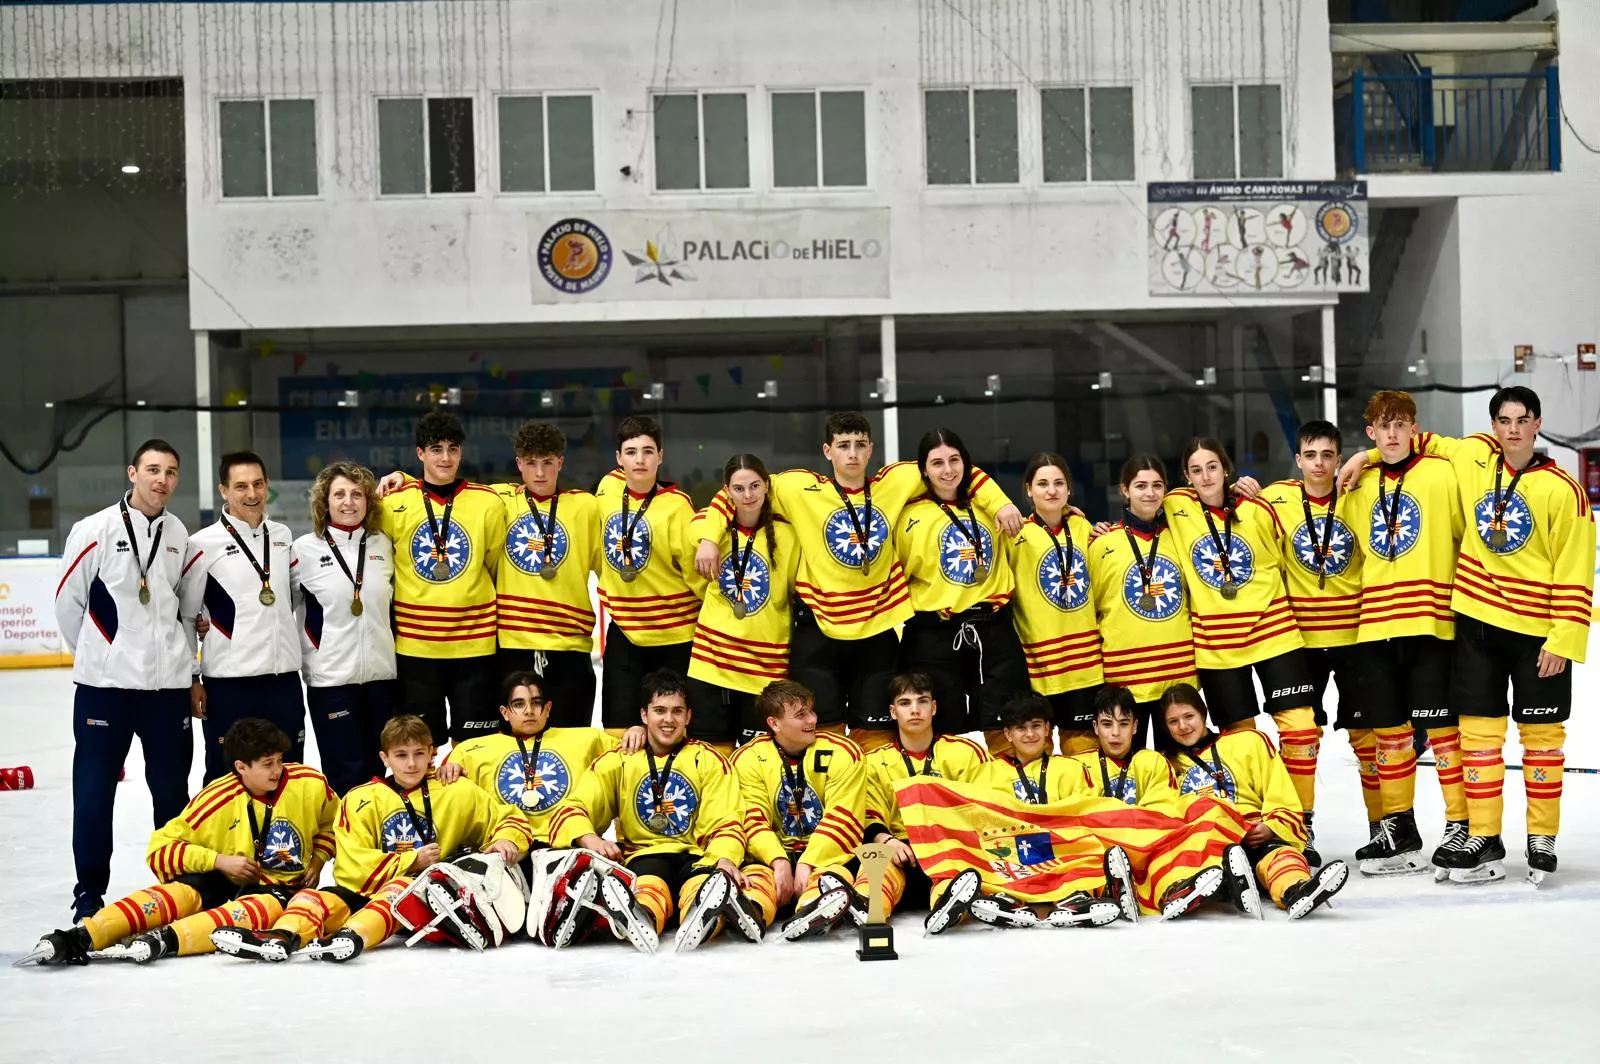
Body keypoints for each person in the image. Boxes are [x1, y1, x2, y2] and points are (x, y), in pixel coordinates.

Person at [1342, 387, 1595, 885]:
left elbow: (1576, 566)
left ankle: (1541, 839)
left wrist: (1563, 638)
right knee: (1479, 738)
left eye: (1523, 420)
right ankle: (1482, 835)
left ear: (1538, 424)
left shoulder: (1564, 489)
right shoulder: (1474, 456)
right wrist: (1362, 455)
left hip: (1536, 634)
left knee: (1542, 740)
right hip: (1476, 625)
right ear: (1494, 425)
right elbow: (1414, 441)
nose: (1513, 429)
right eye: (1504, 420)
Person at [693, 412, 1021, 752]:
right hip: (818, 630)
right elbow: (740, 485)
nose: (852, 454)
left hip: (876, 632)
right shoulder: (798, 487)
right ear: (827, 450)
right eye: (843, 445)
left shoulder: (895, 481)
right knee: (824, 734)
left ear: (871, 449)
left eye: (860, 445)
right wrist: (709, 539)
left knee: (876, 737)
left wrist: (1002, 504)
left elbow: (958, 469)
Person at [213, 714, 533, 962]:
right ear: (384, 758)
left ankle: (350, 938)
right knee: (314, 897)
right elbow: (351, 862)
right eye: (401, 755)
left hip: (416, 895)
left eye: (419, 754)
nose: (411, 763)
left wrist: (506, 840)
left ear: (432, 754)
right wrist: (411, 859)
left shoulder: (456, 791)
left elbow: (507, 818)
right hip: (367, 887)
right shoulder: (360, 798)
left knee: (398, 887)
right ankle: (280, 938)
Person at [21, 719, 336, 966]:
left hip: (278, 892)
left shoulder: (310, 784)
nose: (278, 770)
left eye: (280, 760)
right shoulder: (216, 798)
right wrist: (218, 861)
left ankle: (164, 939)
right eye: (268, 764)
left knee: (262, 905)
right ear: (241, 767)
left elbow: (332, 824)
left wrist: (319, 858)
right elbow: (161, 849)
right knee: (182, 892)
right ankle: (83, 935)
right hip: (220, 881)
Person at [53, 438, 196, 922]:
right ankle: (89, 891)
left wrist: (183, 667)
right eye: (153, 469)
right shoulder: (93, 529)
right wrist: (100, 658)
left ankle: (173, 887)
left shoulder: (178, 533)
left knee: (173, 793)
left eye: (171, 472)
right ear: (132, 473)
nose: (162, 480)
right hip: (105, 692)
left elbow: (183, 606)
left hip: (167, 692)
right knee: (94, 793)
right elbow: (68, 604)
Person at [1163, 438, 1322, 856]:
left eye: (1213, 467)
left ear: (1227, 468)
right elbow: (1147, 498)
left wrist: (1245, 492)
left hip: (1273, 632)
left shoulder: (1258, 507)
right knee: (1238, 744)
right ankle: (1249, 826)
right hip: (1217, 646)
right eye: (1196, 470)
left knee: (1302, 730)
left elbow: (1292, 555)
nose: (1205, 477)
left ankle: (1297, 822)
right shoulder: (1178, 508)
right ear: (1187, 477)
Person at [1337, 391, 1468, 876]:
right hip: (1373, 627)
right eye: (1382, 427)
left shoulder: (1441, 473)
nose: (1392, 434)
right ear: (1370, 431)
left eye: (1401, 424)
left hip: (1431, 625)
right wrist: (1361, 461)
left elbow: (1465, 535)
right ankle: (1398, 825)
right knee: (1389, 734)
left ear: (1414, 428)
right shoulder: (1358, 486)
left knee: (1443, 731)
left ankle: (1460, 823)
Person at [550, 670, 774, 953]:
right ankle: (640, 916)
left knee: (703, 885)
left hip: (696, 855)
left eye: (676, 711)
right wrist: (589, 838)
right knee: (649, 886)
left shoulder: (709, 760)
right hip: (645, 855)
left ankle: (704, 914)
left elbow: (726, 819)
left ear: (688, 717)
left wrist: (724, 857)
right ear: (644, 715)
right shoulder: (620, 759)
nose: (668, 720)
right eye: (660, 711)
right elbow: (573, 807)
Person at [1259, 421, 1377, 855]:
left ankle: (1383, 828)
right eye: (1311, 455)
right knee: (1301, 736)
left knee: (1368, 735)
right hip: (1299, 640)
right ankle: (1298, 827)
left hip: (1355, 636)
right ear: (1298, 460)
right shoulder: (1276, 499)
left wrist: (1369, 455)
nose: (1320, 464)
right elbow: (1216, 498)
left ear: (1339, 458)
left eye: (1329, 455)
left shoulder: (1358, 493)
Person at [1158, 684, 1348, 919]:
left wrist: (1270, 827)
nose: (1183, 726)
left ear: (1203, 714)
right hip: (1209, 845)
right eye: (1173, 721)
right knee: (1206, 866)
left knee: (1279, 857)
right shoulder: (1165, 764)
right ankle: (1225, 884)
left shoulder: (1250, 741)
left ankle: (1297, 890)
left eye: (1189, 716)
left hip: (1255, 834)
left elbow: (1279, 791)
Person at [894, 428, 1030, 747]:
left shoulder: (989, 506)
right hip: (935, 636)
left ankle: (1004, 792)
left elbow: (1026, 536)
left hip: (994, 632)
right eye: (937, 462)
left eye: (955, 460)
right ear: (924, 470)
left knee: (1006, 724)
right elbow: (895, 573)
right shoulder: (908, 517)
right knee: (945, 730)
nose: (948, 470)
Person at [380, 411, 508, 747]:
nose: (446, 457)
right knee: (422, 748)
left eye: (453, 448)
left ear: (462, 452)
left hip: (475, 646)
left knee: (478, 747)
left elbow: (492, 563)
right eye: (436, 449)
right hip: (416, 649)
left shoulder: (487, 503)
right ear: (420, 454)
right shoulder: (394, 502)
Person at [181, 451, 305, 782]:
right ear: (224, 490)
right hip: (229, 684)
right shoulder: (201, 544)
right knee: (227, 773)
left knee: (289, 772)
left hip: (283, 681)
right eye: (240, 486)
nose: (251, 494)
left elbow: (292, 598)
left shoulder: (282, 536)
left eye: (257, 484)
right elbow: (185, 615)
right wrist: (193, 678)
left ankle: (286, 834)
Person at [1069, 686, 1235, 919]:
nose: (1115, 733)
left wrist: (1113, 822)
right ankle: (1095, 893)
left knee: (1190, 823)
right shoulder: (1075, 766)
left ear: (1136, 726)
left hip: (1145, 854)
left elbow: (1162, 818)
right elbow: (1074, 817)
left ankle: (1173, 890)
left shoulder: (1153, 761)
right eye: (1107, 724)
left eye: (1124, 723)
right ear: (1095, 727)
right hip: (1100, 852)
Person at [972, 694, 1126, 928]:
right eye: (1021, 728)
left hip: (1061, 851)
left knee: (1088, 850)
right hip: (1015, 854)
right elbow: (981, 823)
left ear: (1047, 730)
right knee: (991, 855)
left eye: (1036, 726)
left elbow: (1085, 815)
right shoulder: (987, 774)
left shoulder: (1070, 768)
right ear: (1007, 734)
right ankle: (1007, 901)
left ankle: (1076, 899)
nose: (1030, 734)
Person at [730, 680, 866, 941]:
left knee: (832, 876)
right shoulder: (747, 758)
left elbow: (843, 816)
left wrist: (809, 860)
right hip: (775, 855)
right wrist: (777, 860)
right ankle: (751, 910)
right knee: (757, 877)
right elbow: (752, 817)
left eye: (812, 711)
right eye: (801, 714)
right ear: (774, 723)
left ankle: (812, 908)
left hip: (824, 855)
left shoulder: (843, 752)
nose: (812, 719)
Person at [291, 462, 398, 795]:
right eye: (339, 494)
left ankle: (382, 842)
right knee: (344, 774)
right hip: (331, 681)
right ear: (325, 501)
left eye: (357, 494)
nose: (349, 502)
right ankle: (350, 844)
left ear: (369, 500)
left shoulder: (384, 545)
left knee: (379, 772)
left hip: (382, 678)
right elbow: (276, 606)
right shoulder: (303, 551)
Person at [855, 672, 990, 933]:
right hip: (900, 851)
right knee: (876, 862)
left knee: (955, 873)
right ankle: (866, 909)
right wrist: (887, 840)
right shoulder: (873, 761)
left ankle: (948, 904)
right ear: (893, 712)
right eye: (905, 703)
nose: (915, 710)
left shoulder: (966, 752)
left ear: (934, 707)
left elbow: (983, 809)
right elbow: (868, 815)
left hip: (949, 848)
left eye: (923, 701)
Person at [594, 417, 702, 742]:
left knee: (674, 733)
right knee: (617, 733)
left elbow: (696, 575)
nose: (639, 460)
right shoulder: (607, 489)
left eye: (647, 451)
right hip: (626, 633)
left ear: (660, 456)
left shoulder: (677, 506)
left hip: (676, 637)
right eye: (631, 452)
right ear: (618, 458)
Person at [440, 670, 640, 846]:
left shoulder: (588, 738)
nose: (529, 711)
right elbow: (443, 789)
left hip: (569, 843)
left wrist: (640, 730)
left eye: (536, 702)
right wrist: (448, 771)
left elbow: (634, 758)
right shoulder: (471, 749)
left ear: (548, 708)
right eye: (519, 704)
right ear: (505, 712)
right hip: (505, 846)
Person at [491, 420, 603, 729]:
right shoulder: (499, 500)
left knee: (571, 743)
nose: (540, 473)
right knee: (513, 746)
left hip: (570, 647)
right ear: (519, 464)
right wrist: (401, 477)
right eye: (531, 463)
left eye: (548, 463)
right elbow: (446, 489)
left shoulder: (586, 507)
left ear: (560, 462)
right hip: (514, 646)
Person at [686, 455, 800, 753]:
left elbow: (790, 594)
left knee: (758, 764)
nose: (748, 495)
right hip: (711, 667)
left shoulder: (788, 536)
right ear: (727, 492)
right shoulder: (706, 528)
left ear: (767, 486)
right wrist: (710, 540)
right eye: (738, 488)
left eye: (755, 486)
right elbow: (699, 579)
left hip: (764, 671)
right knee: (711, 762)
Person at [1086, 455, 1197, 747]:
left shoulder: (1181, 538)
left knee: (1176, 766)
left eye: (1157, 485)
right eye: (1140, 485)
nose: (1150, 493)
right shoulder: (1101, 544)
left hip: (1178, 675)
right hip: (1124, 679)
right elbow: (1093, 610)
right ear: (1125, 489)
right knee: (1127, 773)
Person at [1007, 452, 1103, 756]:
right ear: (1028, 489)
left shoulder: (1083, 528)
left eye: (1059, 483)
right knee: (1038, 756)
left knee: (1084, 754)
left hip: (1086, 666)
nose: (1052, 490)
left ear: (1069, 489)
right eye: (1043, 483)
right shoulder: (1015, 535)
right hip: (1040, 666)